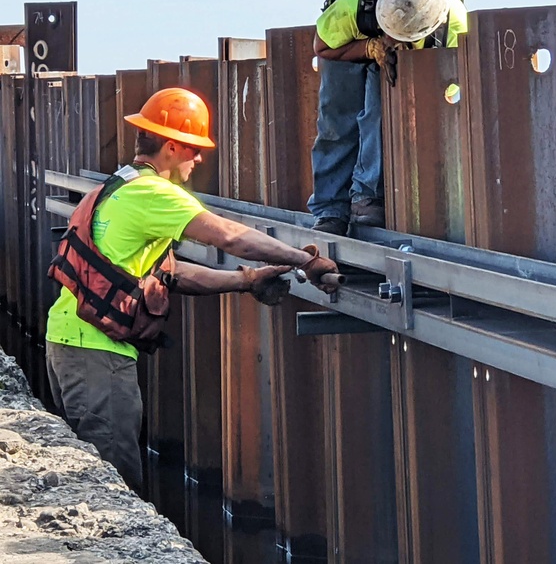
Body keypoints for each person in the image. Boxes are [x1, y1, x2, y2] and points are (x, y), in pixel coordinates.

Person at [44, 87, 342, 491]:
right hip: (97, 358)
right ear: (170, 146)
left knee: (95, 476)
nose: (198, 159)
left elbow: (172, 274)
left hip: (68, 344)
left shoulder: (118, 187)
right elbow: (230, 236)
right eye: (193, 149)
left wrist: (245, 281)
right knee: (114, 483)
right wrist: (304, 259)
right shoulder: (155, 194)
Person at [309, 0, 468, 235]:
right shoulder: (353, 7)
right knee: (337, 121)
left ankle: (368, 196)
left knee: (377, 114)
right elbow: (322, 48)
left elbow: (450, 91)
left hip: (419, 45)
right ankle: (331, 208)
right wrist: (371, 48)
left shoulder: (453, 22)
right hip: (353, 40)